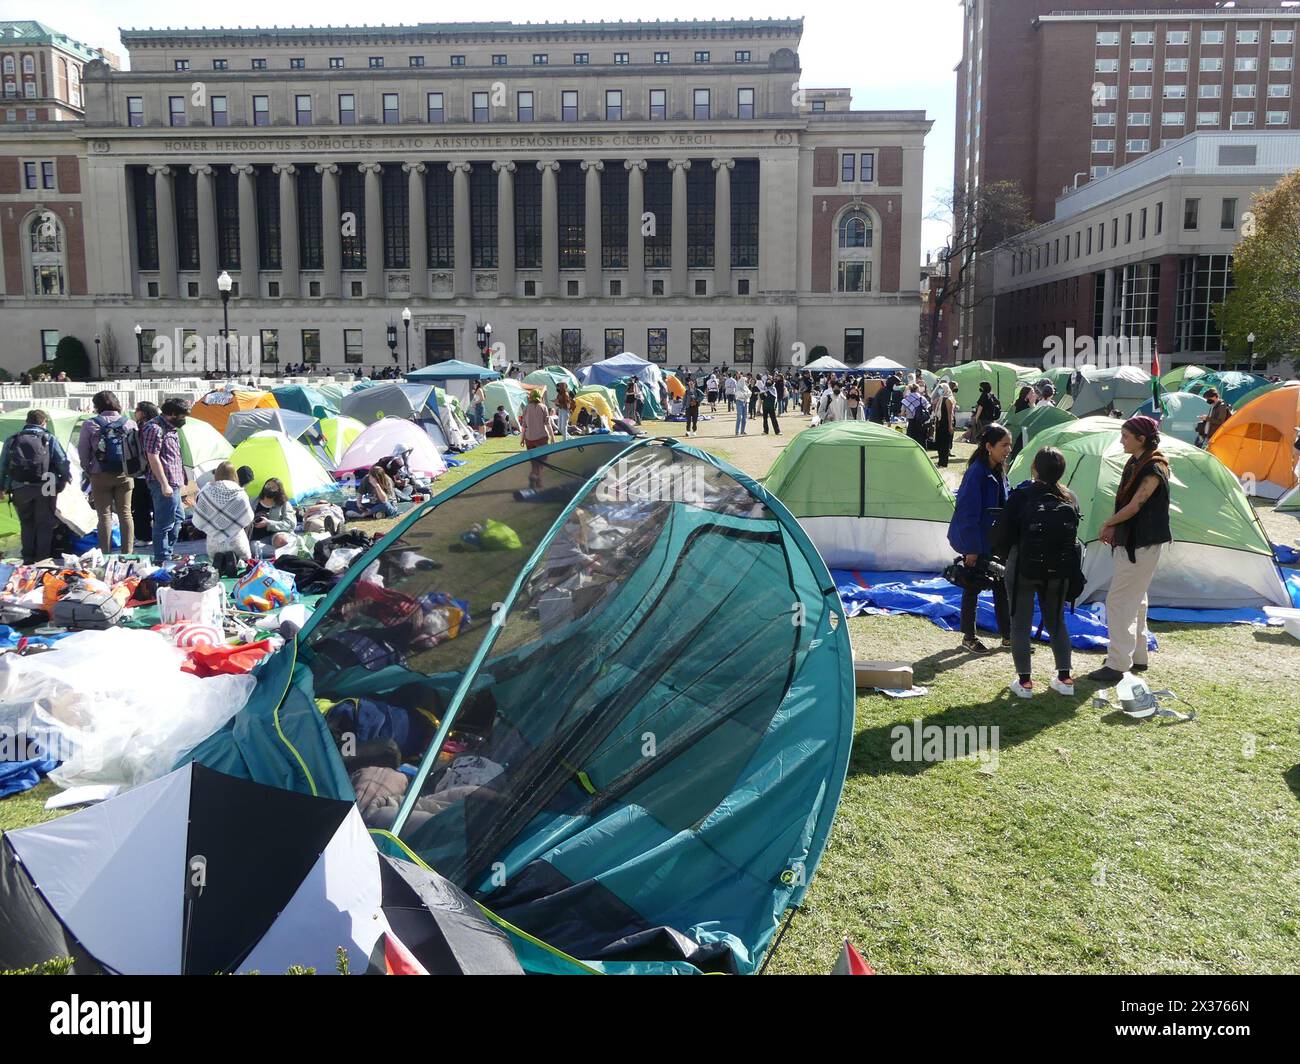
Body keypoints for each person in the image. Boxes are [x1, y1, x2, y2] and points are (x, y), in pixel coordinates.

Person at [990, 446, 1079, 698]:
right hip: (1059, 569)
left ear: (1035, 468)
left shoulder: (1022, 495)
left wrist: (1004, 555)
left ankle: (1025, 682)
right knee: (1057, 622)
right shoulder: (1069, 498)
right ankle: (1065, 677)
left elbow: (1003, 533)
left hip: (1024, 566)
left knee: (1020, 624)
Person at [1089, 415, 1172, 683]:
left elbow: (1137, 504)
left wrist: (1108, 524)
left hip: (1142, 543)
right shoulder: (1138, 462)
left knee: (1119, 601)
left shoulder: (1153, 468)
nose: (1121, 441)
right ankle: (1137, 655)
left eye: (1126, 436)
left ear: (1142, 439)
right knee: (1136, 599)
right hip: (1135, 541)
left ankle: (1117, 664)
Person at [948, 424, 1013, 654]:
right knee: (973, 586)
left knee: (1001, 585)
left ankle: (1007, 636)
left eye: (1009, 444)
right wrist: (972, 549)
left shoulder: (999, 470)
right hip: (977, 539)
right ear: (989, 447)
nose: (1009, 449)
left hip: (995, 540)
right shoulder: (977, 472)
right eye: (1004, 445)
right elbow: (967, 513)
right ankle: (969, 636)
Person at [0, 410, 70, 564]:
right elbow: (62, 462)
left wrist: (2, 487)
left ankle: (28, 559)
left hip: (19, 487)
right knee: (44, 524)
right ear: (44, 422)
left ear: (26, 422)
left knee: (26, 523)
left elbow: (3, 466)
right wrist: (64, 480)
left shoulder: (12, 439)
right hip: (46, 485)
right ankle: (42, 560)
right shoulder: (49, 438)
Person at [77, 390, 137, 555]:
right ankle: (128, 553)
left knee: (104, 515)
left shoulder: (90, 424)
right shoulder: (129, 423)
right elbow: (136, 450)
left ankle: (106, 553)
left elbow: (83, 450)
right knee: (126, 513)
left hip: (99, 474)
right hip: (125, 474)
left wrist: (88, 468)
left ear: (97, 406)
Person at [141, 398, 190, 565]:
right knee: (164, 522)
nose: (184, 419)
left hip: (174, 482)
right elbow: (152, 457)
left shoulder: (171, 428)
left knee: (177, 519)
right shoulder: (154, 428)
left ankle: (167, 553)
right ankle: (162, 558)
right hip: (162, 482)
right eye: (182, 416)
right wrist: (164, 483)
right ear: (172, 414)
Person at [192, 460, 255, 574]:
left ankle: (219, 561)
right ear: (234, 474)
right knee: (244, 554)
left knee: (214, 552)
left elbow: (198, 518)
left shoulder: (206, 491)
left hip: (213, 542)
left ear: (217, 474)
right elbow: (249, 517)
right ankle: (236, 561)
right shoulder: (240, 492)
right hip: (236, 541)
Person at [130, 401, 159, 547]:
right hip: (156, 474)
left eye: (137, 409)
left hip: (141, 474)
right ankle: (160, 535)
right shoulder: (159, 427)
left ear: (143, 413)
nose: (135, 412)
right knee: (156, 506)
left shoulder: (144, 428)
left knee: (140, 508)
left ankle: (144, 536)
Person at [251, 477, 297, 554]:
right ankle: (284, 553)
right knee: (253, 547)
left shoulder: (284, 504)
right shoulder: (253, 502)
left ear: (278, 491)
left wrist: (268, 523)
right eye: (268, 485)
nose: (269, 488)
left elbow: (290, 524)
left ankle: (283, 552)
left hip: (276, 534)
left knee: (280, 540)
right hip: (257, 538)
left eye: (273, 487)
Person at [519, 389, 554, 489]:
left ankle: (534, 477)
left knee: (534, 461)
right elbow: (547, 424)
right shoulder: (543, 407)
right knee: (542, 460)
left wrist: (522, 439)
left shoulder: (526, 408)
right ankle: (536, 478)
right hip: (541, 438)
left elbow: (524, 426)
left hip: (529, 439)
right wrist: (552, 437)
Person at [933, 380, 957, 467]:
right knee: (939, 443)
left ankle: (943, 462)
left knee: (944, 443)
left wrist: (950, 426)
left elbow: (950, 414)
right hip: (939, 423)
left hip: (945, 423)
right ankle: (940, 461)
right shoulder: (941, 399)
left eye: (941, 389)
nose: (940, 390)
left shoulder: (948, 400)